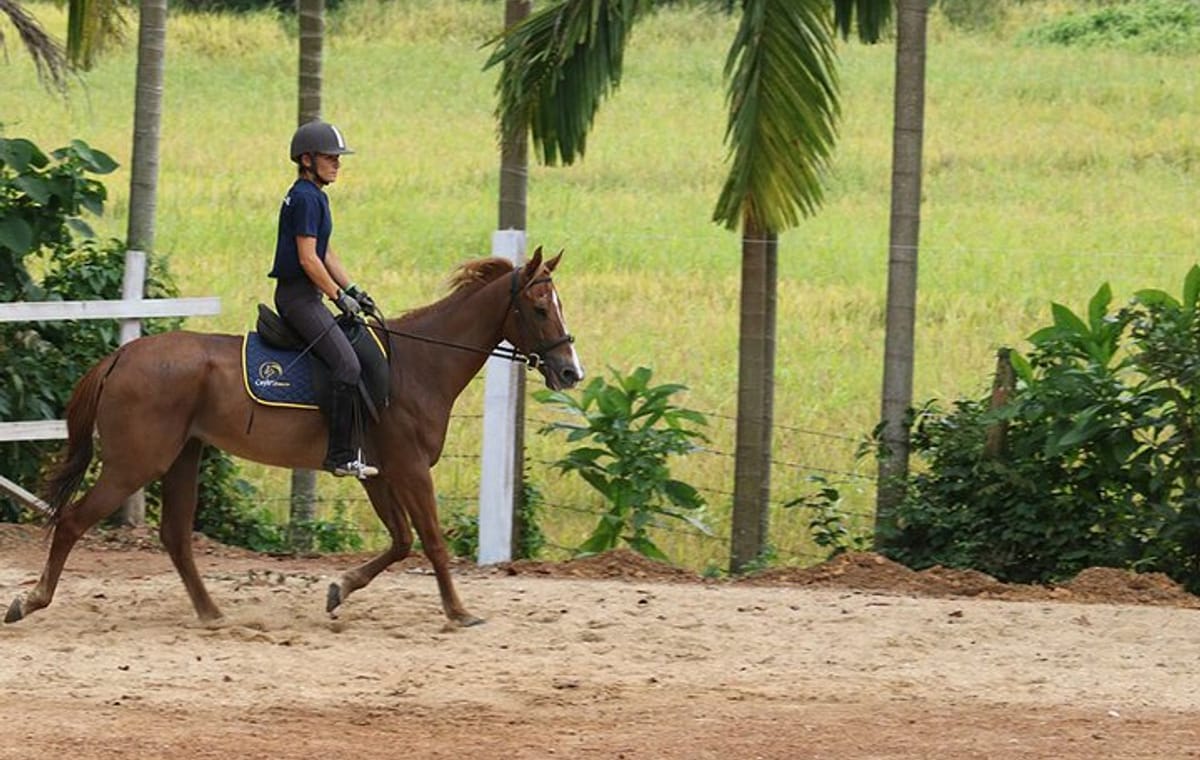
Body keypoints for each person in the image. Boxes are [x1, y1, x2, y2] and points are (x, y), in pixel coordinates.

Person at [269, 120, 379, 479]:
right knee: (347, 365)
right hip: (299, 299)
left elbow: (325, 252)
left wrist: (354, 290)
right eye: (330, 157)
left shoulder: (315, 196)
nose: (337, 164)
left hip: (308, 295)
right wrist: (338, 297)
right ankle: (340, 455)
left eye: (338, 158)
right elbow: (307, 259)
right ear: (307, 160)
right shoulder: (304, 198)